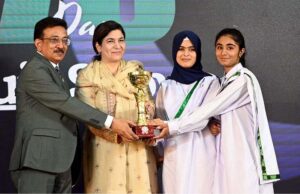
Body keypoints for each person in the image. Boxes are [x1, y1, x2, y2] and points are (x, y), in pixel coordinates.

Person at [9, 16, 138, 193]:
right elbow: (65, 103)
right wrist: (112, 122)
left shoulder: (52, 69)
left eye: (64, 40)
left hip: (60, 161)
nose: (61, 45)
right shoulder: (35, 70)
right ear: (38, 44)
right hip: (38, 161)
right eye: (54, 40)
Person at [152, 28, 280, 194]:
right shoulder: (222, 81)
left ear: (241, 51)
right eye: (219, 47)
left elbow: (208, 111)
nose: (224, 52)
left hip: (238, 154)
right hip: (193, 155)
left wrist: (172, 127)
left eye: (230, 47)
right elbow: (216, 115)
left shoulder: (241, 80)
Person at [75, 20, 158, 194]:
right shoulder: (87, 75)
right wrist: (118, 133)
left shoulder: (136, 71)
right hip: (104, 149)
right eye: (110, 41)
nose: (117, 46)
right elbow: (88, 115)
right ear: (98, 46)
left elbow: (149, 105)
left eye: (121, 40)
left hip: (139, 148)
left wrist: (146, 126)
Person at [154, 30, 220, 194]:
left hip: (202, 153)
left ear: (198, 53)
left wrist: (170, 126)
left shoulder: (210, 82)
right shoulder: (166, 86)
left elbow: (202, 120)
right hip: (174, 155)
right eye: (181, 49)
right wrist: (156, 145)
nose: (186, 54)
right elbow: (160, 122)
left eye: (191, 49)